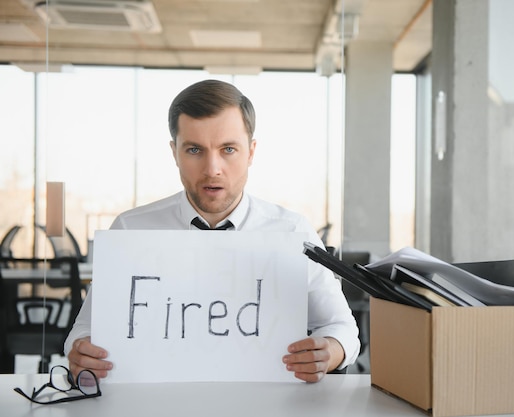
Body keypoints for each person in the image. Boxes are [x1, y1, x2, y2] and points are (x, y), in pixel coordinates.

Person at [64, 79, 360, 383]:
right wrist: (80, 350)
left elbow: (342, 329)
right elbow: (85, 329)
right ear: (174, 152)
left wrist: (329, 352)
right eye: (194, 149)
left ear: (251, 152)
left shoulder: (293, 232)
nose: (212, 169)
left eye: (228, 149)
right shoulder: (130, 230)